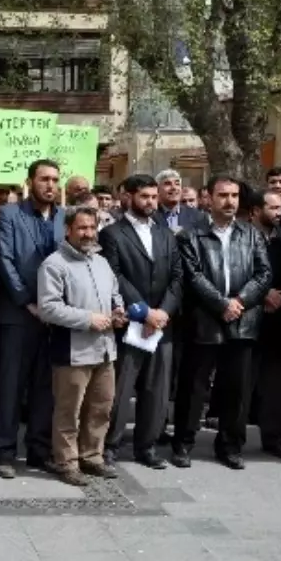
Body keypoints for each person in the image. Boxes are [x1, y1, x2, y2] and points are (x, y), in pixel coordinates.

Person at [172, 176, 271, 470]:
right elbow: (192, 275)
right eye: (223, 195)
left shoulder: (251, 234)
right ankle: (184, 443)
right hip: (205, 320)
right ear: (208, 198)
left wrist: (240, 301)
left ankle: (230, 445)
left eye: (234, 196)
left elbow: (264, 273)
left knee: (237, 388)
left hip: (243, 320)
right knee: (194, 387)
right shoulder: (190, 235)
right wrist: (221, 304)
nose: (230, 202)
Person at [0, 159, 64, 478]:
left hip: (55, 318)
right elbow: (4, 261)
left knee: (45, 386)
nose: (50, 185)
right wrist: (28, 302)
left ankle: (38, 449)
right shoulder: (9, 215)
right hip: (18, 315)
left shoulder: (64, 217)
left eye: (55, 180)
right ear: (30, 181)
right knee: (10, 385)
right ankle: (3, 449)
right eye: (44, 179)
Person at [98, 174, 182, 470]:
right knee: (121, 390)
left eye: (153, 197)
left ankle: (146, 447)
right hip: (131, 323)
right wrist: (144, 311)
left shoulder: (165, 234)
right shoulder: (112, 234)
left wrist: (162, 313)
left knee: (156, 391)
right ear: (128, 197)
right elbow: (115, 276)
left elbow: (176, 277)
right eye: (144, 196)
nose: (150, 202)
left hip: (161, 325)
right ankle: (110, 446)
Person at [37, 205, 122, 486]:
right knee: (68, 410)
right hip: (72, 350)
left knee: (101, 407)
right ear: (68, 230)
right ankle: (67, 461)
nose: (88, 233)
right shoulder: (54, 264)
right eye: (82, 228)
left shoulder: (101, 262)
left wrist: (118, 310)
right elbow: (48, 308)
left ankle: (92, 456)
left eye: (91, 227)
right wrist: (87, 319)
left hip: (105, 348)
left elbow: (114, 293)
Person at [247, 189, 281, 459]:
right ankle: (232, 438)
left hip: (279, 323)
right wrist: (262, 293)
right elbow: (235, 273)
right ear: (256, 210)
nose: (279, 213)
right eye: (273, 208)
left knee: (277, 386)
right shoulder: (240, 238)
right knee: (242, 383)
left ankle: (273, 437)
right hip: (246, 318)